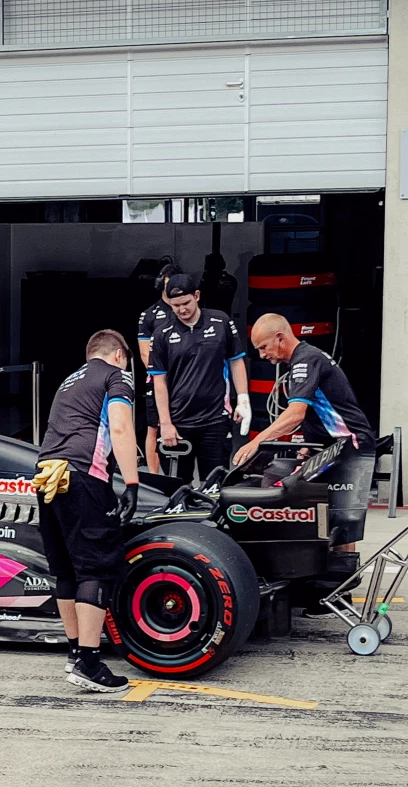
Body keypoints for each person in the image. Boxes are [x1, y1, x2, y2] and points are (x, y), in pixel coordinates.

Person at [236, 313, 375, 613]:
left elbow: (295, 413)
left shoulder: (304, 360)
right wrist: (308, 450)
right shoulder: (305, 359)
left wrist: (256, 442)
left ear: (280, 338)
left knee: (339, 521)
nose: (262, 355)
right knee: (323, 516)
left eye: (263, 348)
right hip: (335, 444)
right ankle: (321, 590)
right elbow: (318, 412)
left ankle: (334, 594)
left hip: (349, 446)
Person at [34, 329, 141, 694]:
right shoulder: (116, 375)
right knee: (95, 566)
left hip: (48, 475)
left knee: (66, 568)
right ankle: (90, 663)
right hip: (83, 476)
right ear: (118, 355)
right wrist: (132, 483)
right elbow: (121, 427)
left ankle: (75, 652)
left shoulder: (69, 380)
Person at [149, 271, 251, 484]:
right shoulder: (162, 333)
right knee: (177, 488)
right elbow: (159, 381)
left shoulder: (220, 321)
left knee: (216, 485)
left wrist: (243, 399)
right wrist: (165, 423)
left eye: (185, 302)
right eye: (175, 305)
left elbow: (236, 361)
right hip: (178, 422)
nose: (182, 309)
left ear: (196, 295)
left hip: (215, 419)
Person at [136, 268, 177, 471]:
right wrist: (161, 376)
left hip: (185, 381)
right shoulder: (149, 315)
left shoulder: (188, 311)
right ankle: (153, 475)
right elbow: (145, 354)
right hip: (157, 380)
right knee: (153, 428)